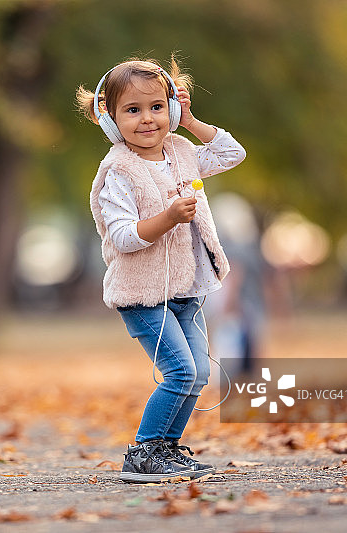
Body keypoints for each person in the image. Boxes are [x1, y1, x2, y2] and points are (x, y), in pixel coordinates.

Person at [76, 57, 245, 483]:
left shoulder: (182, 152)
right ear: (110, 120)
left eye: (156, 107)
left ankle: (166, 448)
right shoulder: (118, 171)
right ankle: (144, 451)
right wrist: (168, 217)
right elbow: (124, 236)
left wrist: (189, 120)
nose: (147, 119)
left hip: (185, 288)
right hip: (142, 294)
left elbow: (231, 153)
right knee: (181, 371)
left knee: (200, 373)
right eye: (132, 111)